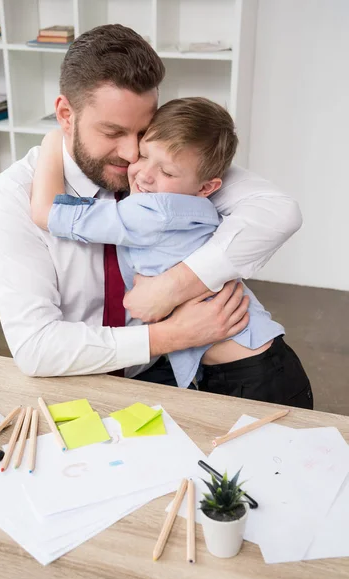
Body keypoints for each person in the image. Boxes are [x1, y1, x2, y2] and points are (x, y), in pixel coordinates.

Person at [0, 24, 303, 393]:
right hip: (76, 382)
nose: (132, 154)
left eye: (142, 132)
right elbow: (37, 350)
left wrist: (173, 286)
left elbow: (279, 212)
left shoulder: (162, 165)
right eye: (113, 132)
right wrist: (170, 335)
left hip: (171, 375)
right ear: (66, 115)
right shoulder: (14, 195)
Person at [30, 97, 312, 409]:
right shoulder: (194, 204)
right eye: (144, 154)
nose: (144, 175)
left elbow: (47, 212)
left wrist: (53, 140)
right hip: (261, 363)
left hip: (251, 378)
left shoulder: (152, 210)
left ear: (207, 187)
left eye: (166, 170)